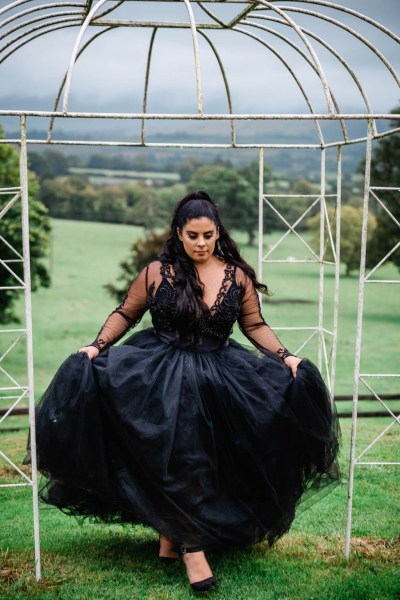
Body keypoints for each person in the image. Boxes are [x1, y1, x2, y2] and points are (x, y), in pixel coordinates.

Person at [32, 190, 340, 593]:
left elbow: (254, 325)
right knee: (181, 455)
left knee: (205, 458)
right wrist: (96, 346)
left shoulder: (237, 276)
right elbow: (127, 312)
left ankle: (170, 535)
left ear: (217, 234)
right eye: (192, 235)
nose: (200, 243)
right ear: (178, 233)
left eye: (208, 235)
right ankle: (192, 548)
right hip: (158, 374)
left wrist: (286, 357)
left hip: (220, 375)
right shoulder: (156, 272)